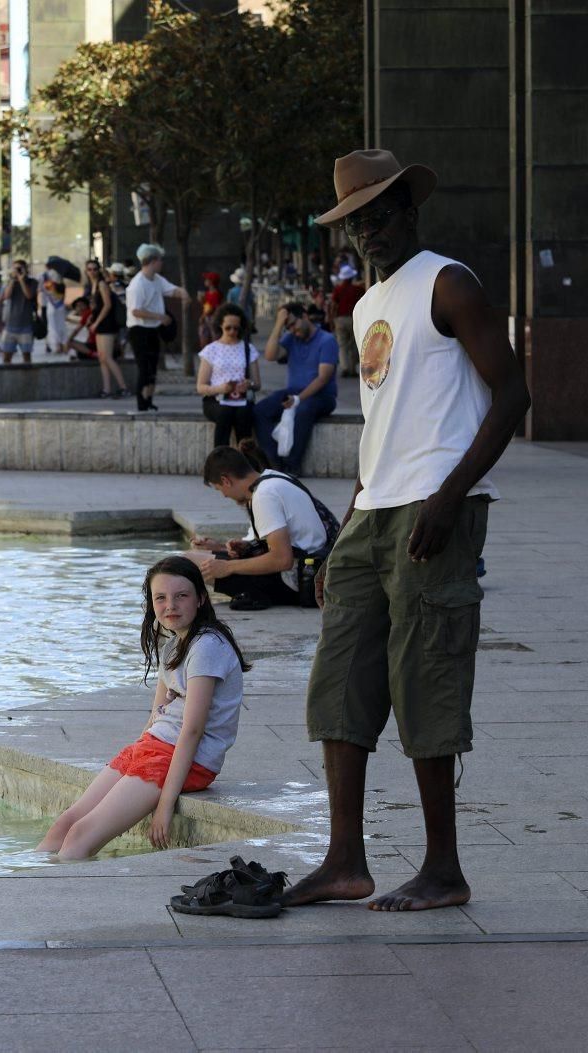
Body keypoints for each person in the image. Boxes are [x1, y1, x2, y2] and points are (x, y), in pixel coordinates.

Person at [280, 148, 530, 914]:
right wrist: (348, 526)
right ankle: (345, 860)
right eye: (356, 224)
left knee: (426, 682)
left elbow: (514, 394)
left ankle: (443, 868)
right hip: (375, 510)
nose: (369, 234)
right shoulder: (363, 306)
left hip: (436, 509)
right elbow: (382, 424)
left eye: (379, 217)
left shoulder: (449, 283)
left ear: (408, 211)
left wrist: (451, 496)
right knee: (339, 682)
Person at [35, 556, 249, 858]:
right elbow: (156, 715)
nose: (170, 605)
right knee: (65, 824)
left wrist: (164, 805)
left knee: (81, 835)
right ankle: (26, 884)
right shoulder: (174, 644)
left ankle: (57, 897)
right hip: (155, 747)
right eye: (160, 598)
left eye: (181, 596)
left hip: (188, 758)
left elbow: (192, 730)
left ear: (201, 598)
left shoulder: (208, 646)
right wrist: (133, 757)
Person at [190, 442, 333, 611]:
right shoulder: (274, 479)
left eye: (219, 489)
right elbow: (283, 542)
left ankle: (257, 595)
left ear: (225, 480)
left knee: (190, 562)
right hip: (312, 568)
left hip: (298, 582)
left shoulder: (264, 496)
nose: (224, 495)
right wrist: (221, 546)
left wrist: (227, 567)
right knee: (197, 554)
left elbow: (282, 559)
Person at [253, 302, 339, 475]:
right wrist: (278, 325)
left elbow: (323, 378)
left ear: (305, 317)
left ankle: (292, 465)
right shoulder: (291, 338)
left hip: (321, 396)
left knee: (303, 410)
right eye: (288, 327)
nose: (292, 329)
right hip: (292, 392)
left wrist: (298, 399)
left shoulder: (327, 340)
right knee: (259, 411)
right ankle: (274, 463)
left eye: (293, 324)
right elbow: (270, 355)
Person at [125, 244, 191, 412]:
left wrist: (183, 293)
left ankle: (149, 400)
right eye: (160, 260)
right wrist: (160, 317)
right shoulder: (137, 284)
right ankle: (142, 403)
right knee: (144, 367)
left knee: (152, 367)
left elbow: (171, 290)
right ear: (153, 261)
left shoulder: (156, 279)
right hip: (139, 330)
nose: (162, 263)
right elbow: (136, 311)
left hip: (153, 329)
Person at [196, 303, 261, 447]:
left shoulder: (248, 349)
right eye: (228, 328)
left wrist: (248, 385)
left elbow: (257, 383)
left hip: (241, 399)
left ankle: (247, 462)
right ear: (220, 325)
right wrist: (220, 389)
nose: (232, 332)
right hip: (216, 399)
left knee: (243, 415)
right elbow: (201, 386)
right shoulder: (211, 350)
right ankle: (221, 459)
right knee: (224, 413)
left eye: (236, 328)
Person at [85, 258, 129, 398]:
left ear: (99, 270)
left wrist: (96, 322)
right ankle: (107, 389)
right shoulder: (92, 285)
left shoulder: (102, 284)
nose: (92, 272)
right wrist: (92, 318)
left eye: (95, 269)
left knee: (107, 357)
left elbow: (107, 305)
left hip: (107, 324)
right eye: (89, 269)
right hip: (99, 322)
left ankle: (123, 387)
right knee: (102, 358)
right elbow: (96, 306)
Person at [329, 264, 365, 376]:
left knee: (342, 345)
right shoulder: (357, 289)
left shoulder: (338, 289)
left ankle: (345, 367)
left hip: (340, 319)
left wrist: (331, 319)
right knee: (354, 345)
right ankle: (352, 368)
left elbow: (334, 305)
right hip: (354, 319)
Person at [1, 259, 38, 365]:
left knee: (26, 356)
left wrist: (21, 280)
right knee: (6, 357)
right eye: (15, 268)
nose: (17, 271)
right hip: (10, 324)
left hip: (26, 325)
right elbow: (6, 296)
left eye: (20, 268)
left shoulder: (32, 282)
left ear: (25, 269)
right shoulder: (10, 282)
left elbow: (29, 295)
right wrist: (13, 279)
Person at [38, 270, 68, 355]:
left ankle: (59, 345)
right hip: (52, 307)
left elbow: (58, 295)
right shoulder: (49, 282)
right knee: (54, 326)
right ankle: (56, 345)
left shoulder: (54, 285)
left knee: (55, 326)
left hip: (54, 308)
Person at [197, 271, 223, 349]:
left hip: (212, 317)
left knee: (215, 338)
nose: (205, 281)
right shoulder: (208, 293)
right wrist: (201, 300)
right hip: (206, 317)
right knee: (203, 337)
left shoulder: (216, 294)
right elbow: (206, 306)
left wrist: (203, 316)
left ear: (211, 282)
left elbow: (213, 308)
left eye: (207, 279)